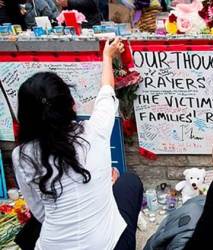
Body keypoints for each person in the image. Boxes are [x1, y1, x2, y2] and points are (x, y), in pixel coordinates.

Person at [12, 38, 143, 250]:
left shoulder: (21, 155)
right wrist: (107, 56)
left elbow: (40, 212)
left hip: (51, 244)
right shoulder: (94, 131)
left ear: (26, 117)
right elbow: (107, 91)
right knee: (129, 182)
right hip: (107, 244)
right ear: (71, 104)